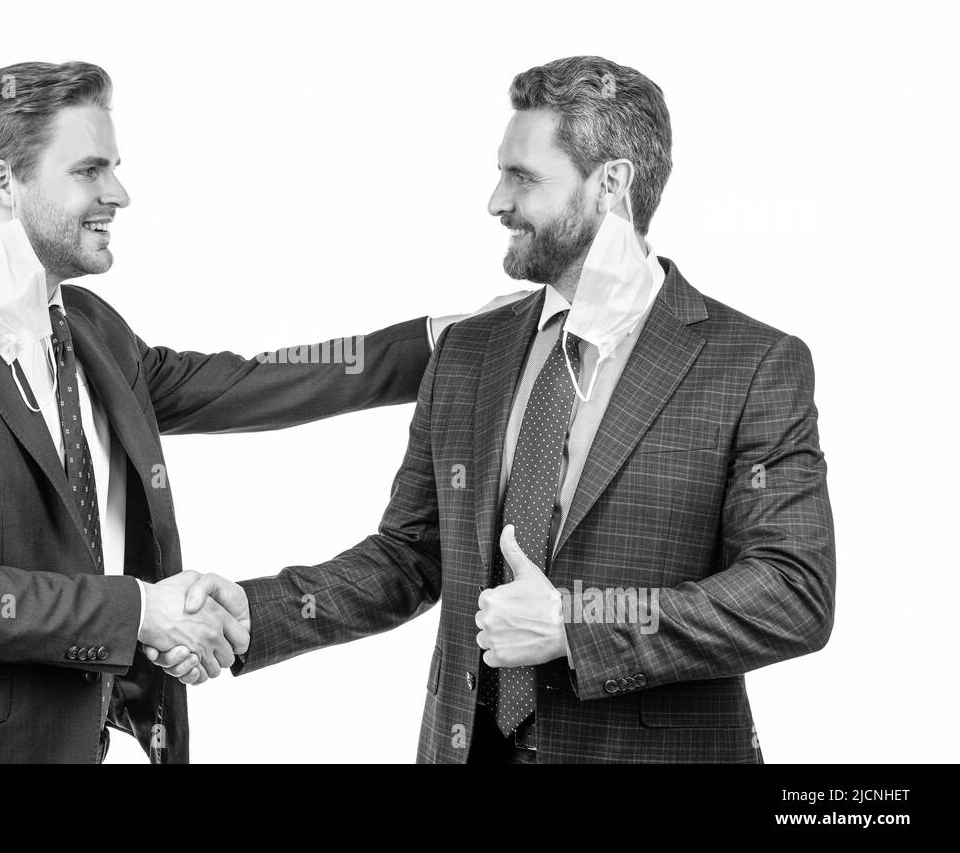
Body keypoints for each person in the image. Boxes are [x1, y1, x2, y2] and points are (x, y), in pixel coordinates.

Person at [151, 56, 836, 764]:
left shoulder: (751, 364)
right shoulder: (473, 350)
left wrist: (577, 622)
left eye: (523, 177)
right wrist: (254, 613)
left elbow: (791, 593)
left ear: (612, 183)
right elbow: (411, 557)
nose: (496, 202)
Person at [0, 60, 484, 763]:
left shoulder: (93, 329)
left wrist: (444, 340)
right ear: (4, 184)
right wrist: (139, 611)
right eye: (90, 171)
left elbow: (251, 382)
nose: (119, 193)